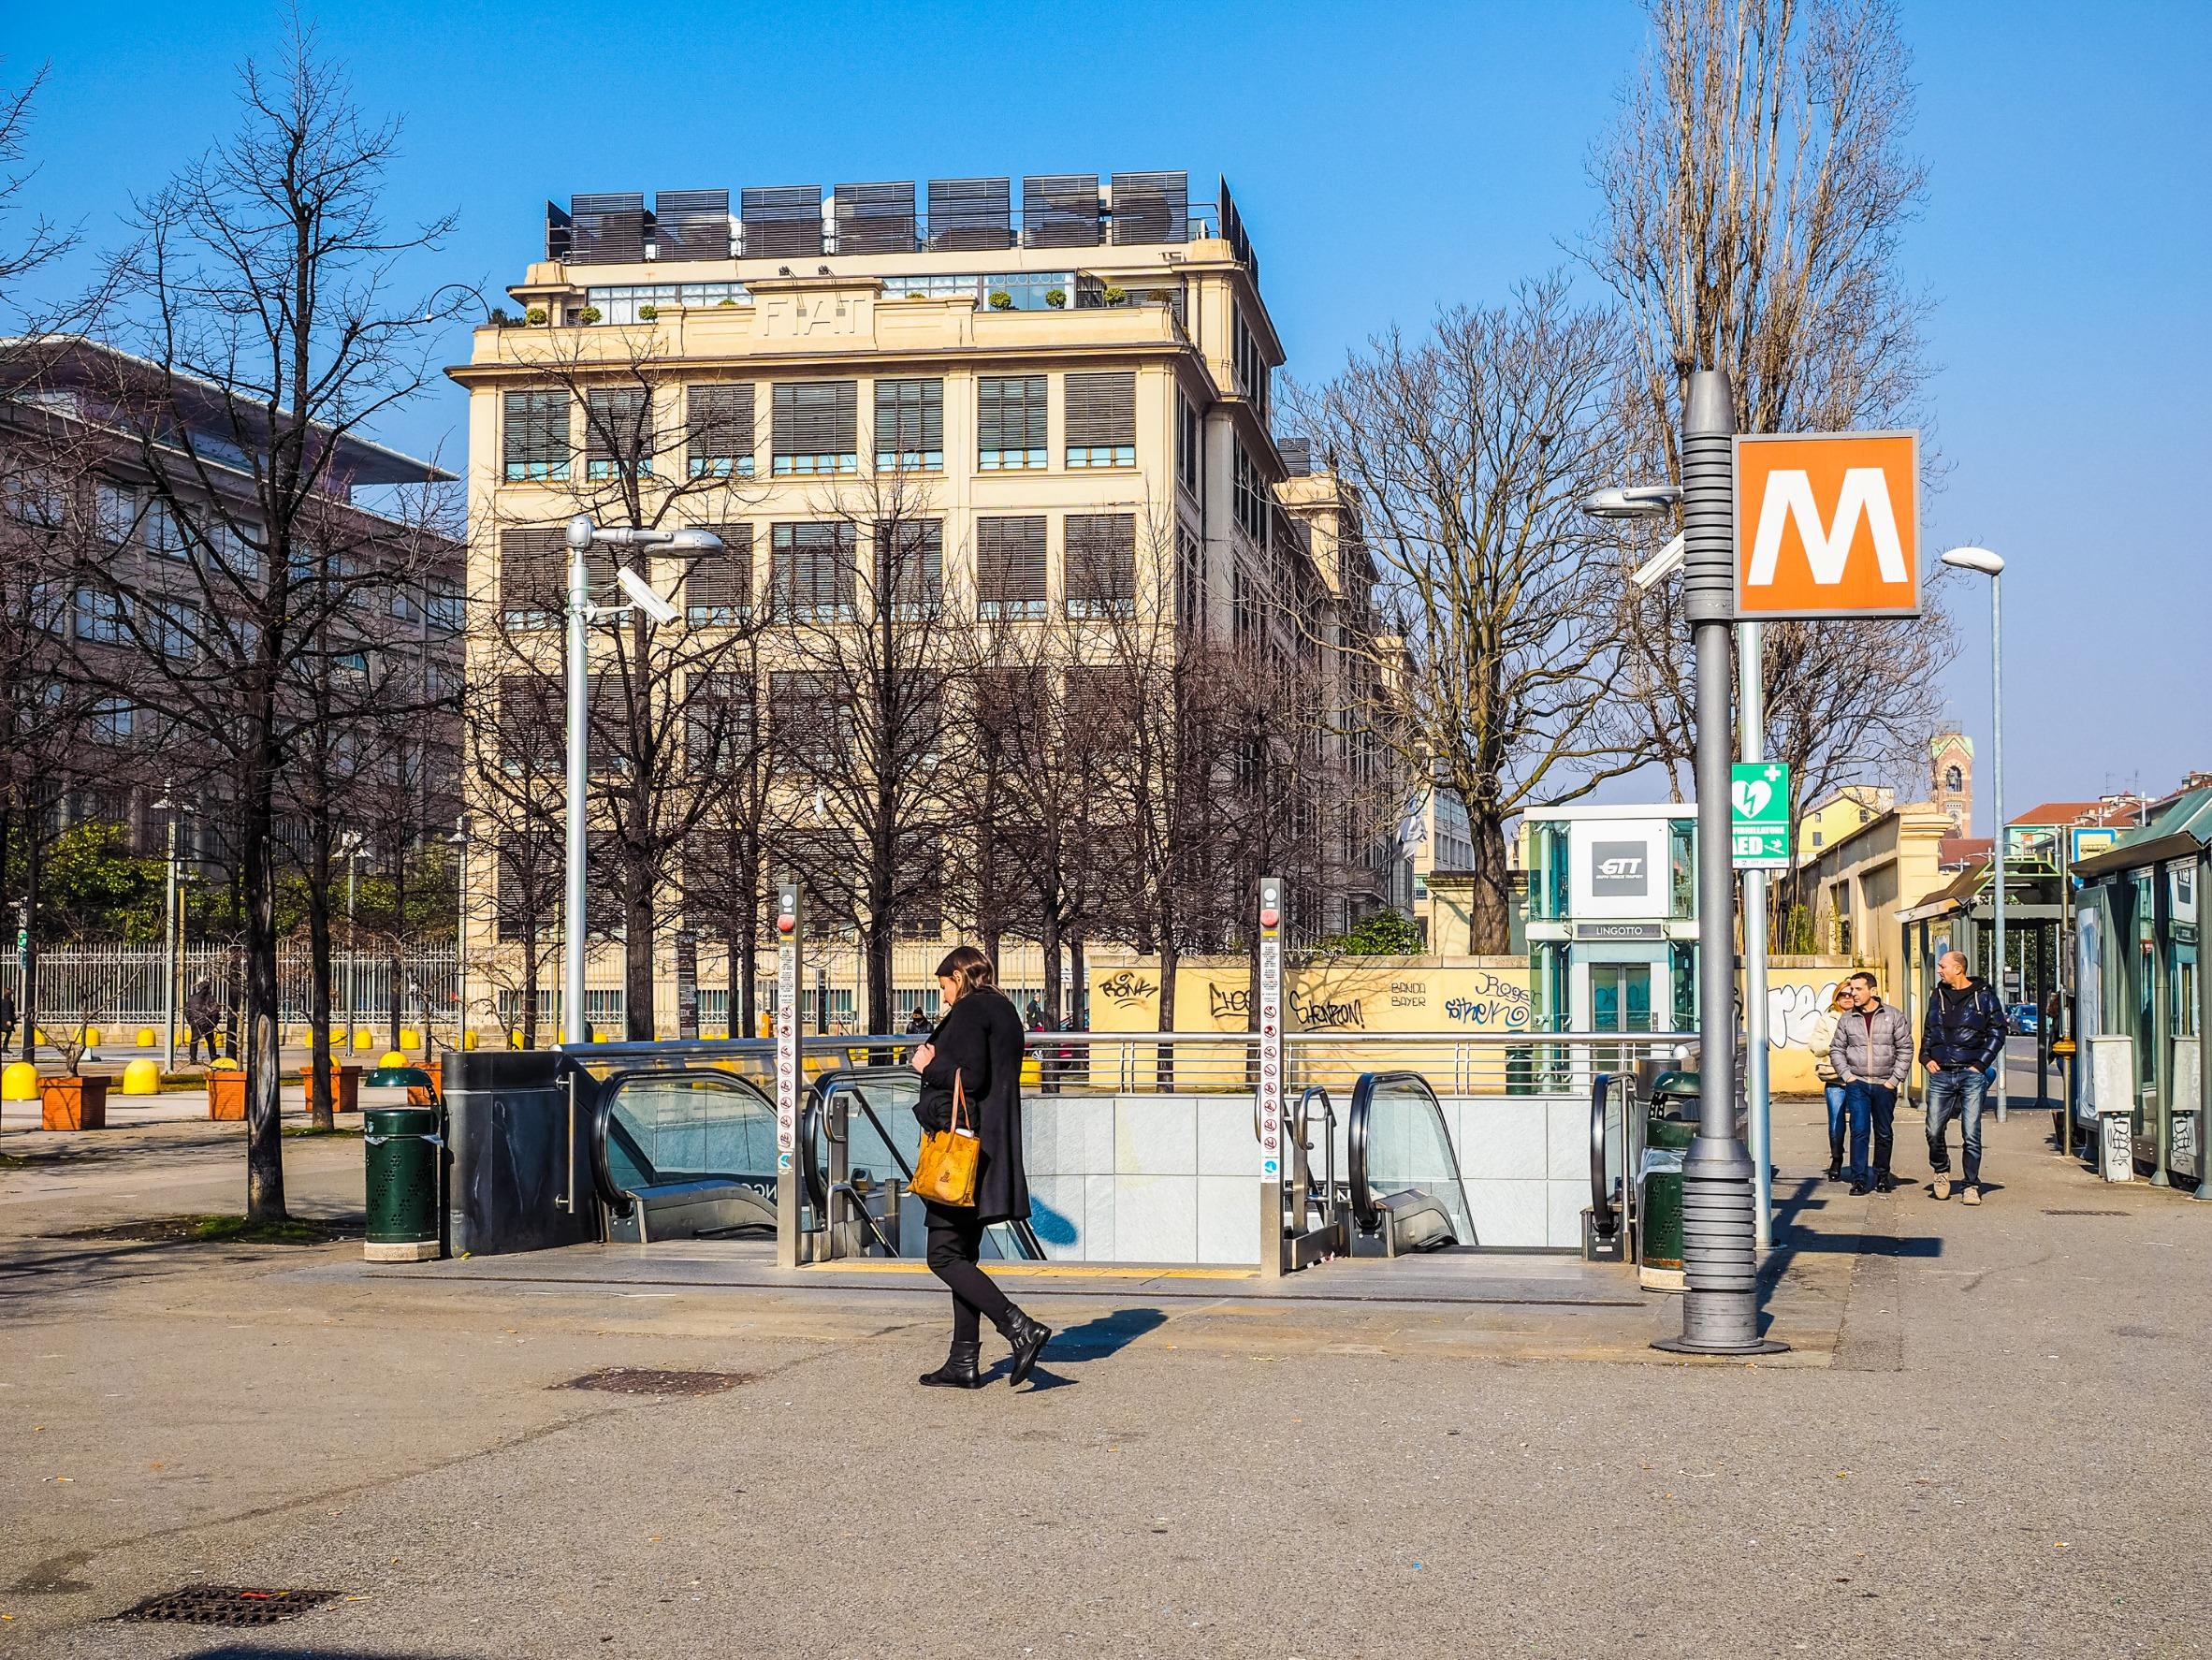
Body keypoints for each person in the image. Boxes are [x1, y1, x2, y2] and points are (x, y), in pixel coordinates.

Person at [910, 945, 1049, 1390]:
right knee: (962, 1256)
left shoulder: (972, 1010)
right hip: (989, 1151)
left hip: (961, 1158)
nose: (944, 997)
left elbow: (968, 1077)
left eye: (945, 986)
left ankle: (1018, 1327)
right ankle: (963, 1361)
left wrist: (928, 1066)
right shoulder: (1004, 1010)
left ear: (960, 977)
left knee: (943, 1255)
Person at [1921, 950, 2006, 1204]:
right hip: (1941, 1073)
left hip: (1971, 1072)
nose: (1939, 970)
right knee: (1933, 1129)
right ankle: (1941, 1170)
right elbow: (1929, 1029)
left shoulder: (1984, 997)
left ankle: (1971, 1185)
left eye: (1942, 966)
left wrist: (1981, 1064)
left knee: (1971, 1132)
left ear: (1958, 968)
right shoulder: (1937, 996)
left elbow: (1998, 1031)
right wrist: (1925, 1057)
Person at [1829, 971, 1912, 1195]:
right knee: (1859, 1130)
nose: (1852, 994)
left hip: (1885, 1084)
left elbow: (1905, 1048)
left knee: (1883, 1131)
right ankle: (1859, 1179)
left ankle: (1882, 1176)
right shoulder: (1847, 1018)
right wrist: (1847, 1076)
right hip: (1858, 1083)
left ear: (1872, 991)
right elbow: (1836, 1049)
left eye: (1858, 989)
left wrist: (1894, 1081)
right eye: (1851, 989)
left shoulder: (1893, 1016)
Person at [1809, 983, 1855, 1182]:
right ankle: (1836, 1159)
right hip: (1835, 1078)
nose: (1846, 998)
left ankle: (1858, 1163)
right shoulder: (1827, 1020)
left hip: (1859, 1077)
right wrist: (1835, 1044)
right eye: (1842, 995)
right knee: (1836, 1122)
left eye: (1850, 994)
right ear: (1836, 998)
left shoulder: (1863, 1017)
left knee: (1860, 1125)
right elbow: (1815, 1046)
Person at [182, 979, 220, 1065]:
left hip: (196, 1023)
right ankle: (213, 1057)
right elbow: (215, 1013)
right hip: (207, 1023)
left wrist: (191, 1022)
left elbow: (187, 1011)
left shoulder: (192, 998)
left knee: (194, 1041)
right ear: (207, 988)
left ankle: (193, 1059)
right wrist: (212, 1024)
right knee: (210, 1041)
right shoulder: (210, 998)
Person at [0, 986, 15, 1054]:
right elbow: (8, 1011)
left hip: (3, 1020)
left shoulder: (3, 1001)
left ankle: (4, 1047)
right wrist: (9, 1020)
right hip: (6, 1020)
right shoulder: (8, 1002)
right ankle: (5, 1047)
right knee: (8, 1033)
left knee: (8, 1033)